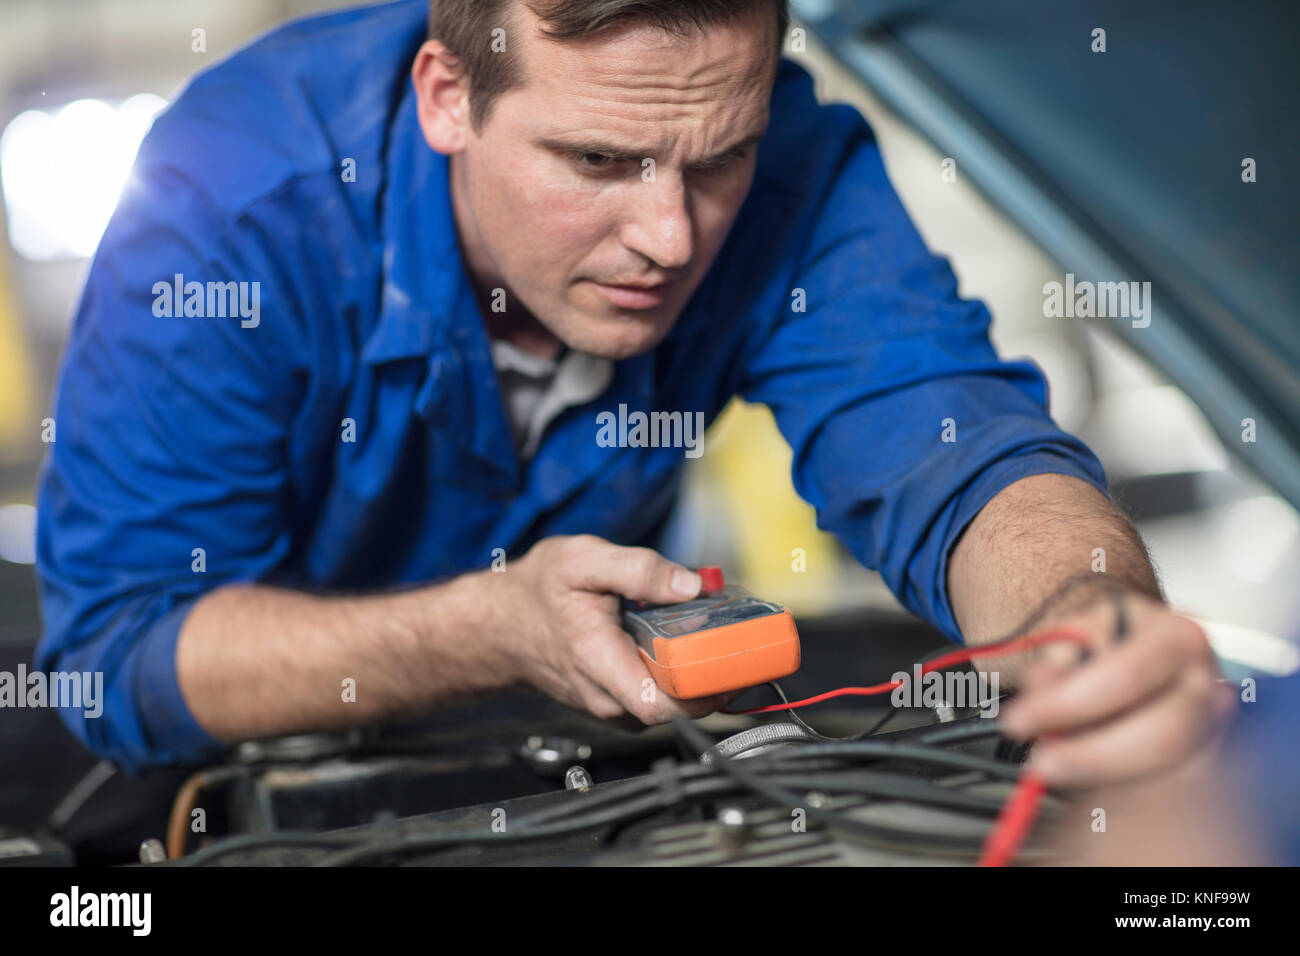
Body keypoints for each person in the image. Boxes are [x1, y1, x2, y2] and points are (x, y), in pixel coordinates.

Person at [34, 0, 1231, 778]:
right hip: (248, 777)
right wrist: (482, 628)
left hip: (588, 759)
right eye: (598, 162)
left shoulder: (797, 166)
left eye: (717, 159)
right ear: (448, 94)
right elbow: (119, 648)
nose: (668, 234)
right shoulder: (234, 200)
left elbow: (958, 445)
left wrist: (1084, 607)